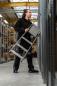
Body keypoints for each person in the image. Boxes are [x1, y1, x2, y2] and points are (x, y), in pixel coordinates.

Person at [13, 9, 39, 73]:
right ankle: (15, 68)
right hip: (21, 40)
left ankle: (31, 69)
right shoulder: (20, 20)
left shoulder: (30, 23)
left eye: (31, 12)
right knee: (19, 54)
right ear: (25, 13)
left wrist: (36, 33)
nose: (31, 13)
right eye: (29, 12)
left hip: (28, 40)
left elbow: (31, 32)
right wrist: (23, 30)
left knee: (29, 54)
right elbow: (15, 28)